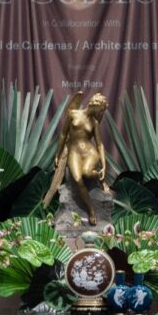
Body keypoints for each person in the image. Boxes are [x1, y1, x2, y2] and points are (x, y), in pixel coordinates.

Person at [43, 91, 110, 225]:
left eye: (101, 110)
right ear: (93, 105)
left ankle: (100, 177)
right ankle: (91, 208)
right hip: (74, 152)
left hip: (89, 152)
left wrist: (104, 165)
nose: (100, 112)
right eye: (100, 109)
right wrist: (58, 154)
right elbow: (63, 134)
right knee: (78, 180)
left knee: (87, 172)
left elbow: (100, 144)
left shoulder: (95, 122)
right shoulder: (73, 113)